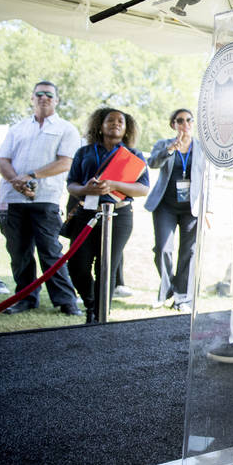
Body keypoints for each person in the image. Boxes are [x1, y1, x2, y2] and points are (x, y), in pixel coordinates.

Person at [0, 81, 82, 315]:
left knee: (50, 251)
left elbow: (65, 162)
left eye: (49, 95)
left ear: (57, 100)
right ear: (32, 98)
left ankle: (66, 301)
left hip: (45, 199)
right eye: (39, 94)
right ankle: (25, 298)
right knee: (19, 252)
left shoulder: (66, 129)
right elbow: (2, 160)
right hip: (12, 199)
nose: (44, 98)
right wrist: (17, 181)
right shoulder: (18, 128)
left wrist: (31, 176)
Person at [66, 107, 150, 323]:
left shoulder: (134, 155)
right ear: (100, 126)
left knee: (106, 266)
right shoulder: (84, 152)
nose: (116, 123)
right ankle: (90, 303)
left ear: (127, 127)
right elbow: (71, 185)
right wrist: (85, 189)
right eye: (110, 120)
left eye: (121, 121)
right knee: (77, 264)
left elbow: (143, 189)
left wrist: (113, 184)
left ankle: (99, 316)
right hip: (86, 214)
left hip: (119, 217)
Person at [145, 108, 205, 313]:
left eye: (189, 120)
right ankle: (167, 290)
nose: (185, 124)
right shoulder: (164, 144)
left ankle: (182, 298)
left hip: (191, 207)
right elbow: (152, 163)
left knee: (189, 252)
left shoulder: (202, 147)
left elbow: (209, 177)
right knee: (163, 249)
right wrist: (170, 149)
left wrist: (209, 208)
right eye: (180, 120)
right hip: (166, 206)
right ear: (173, 124)